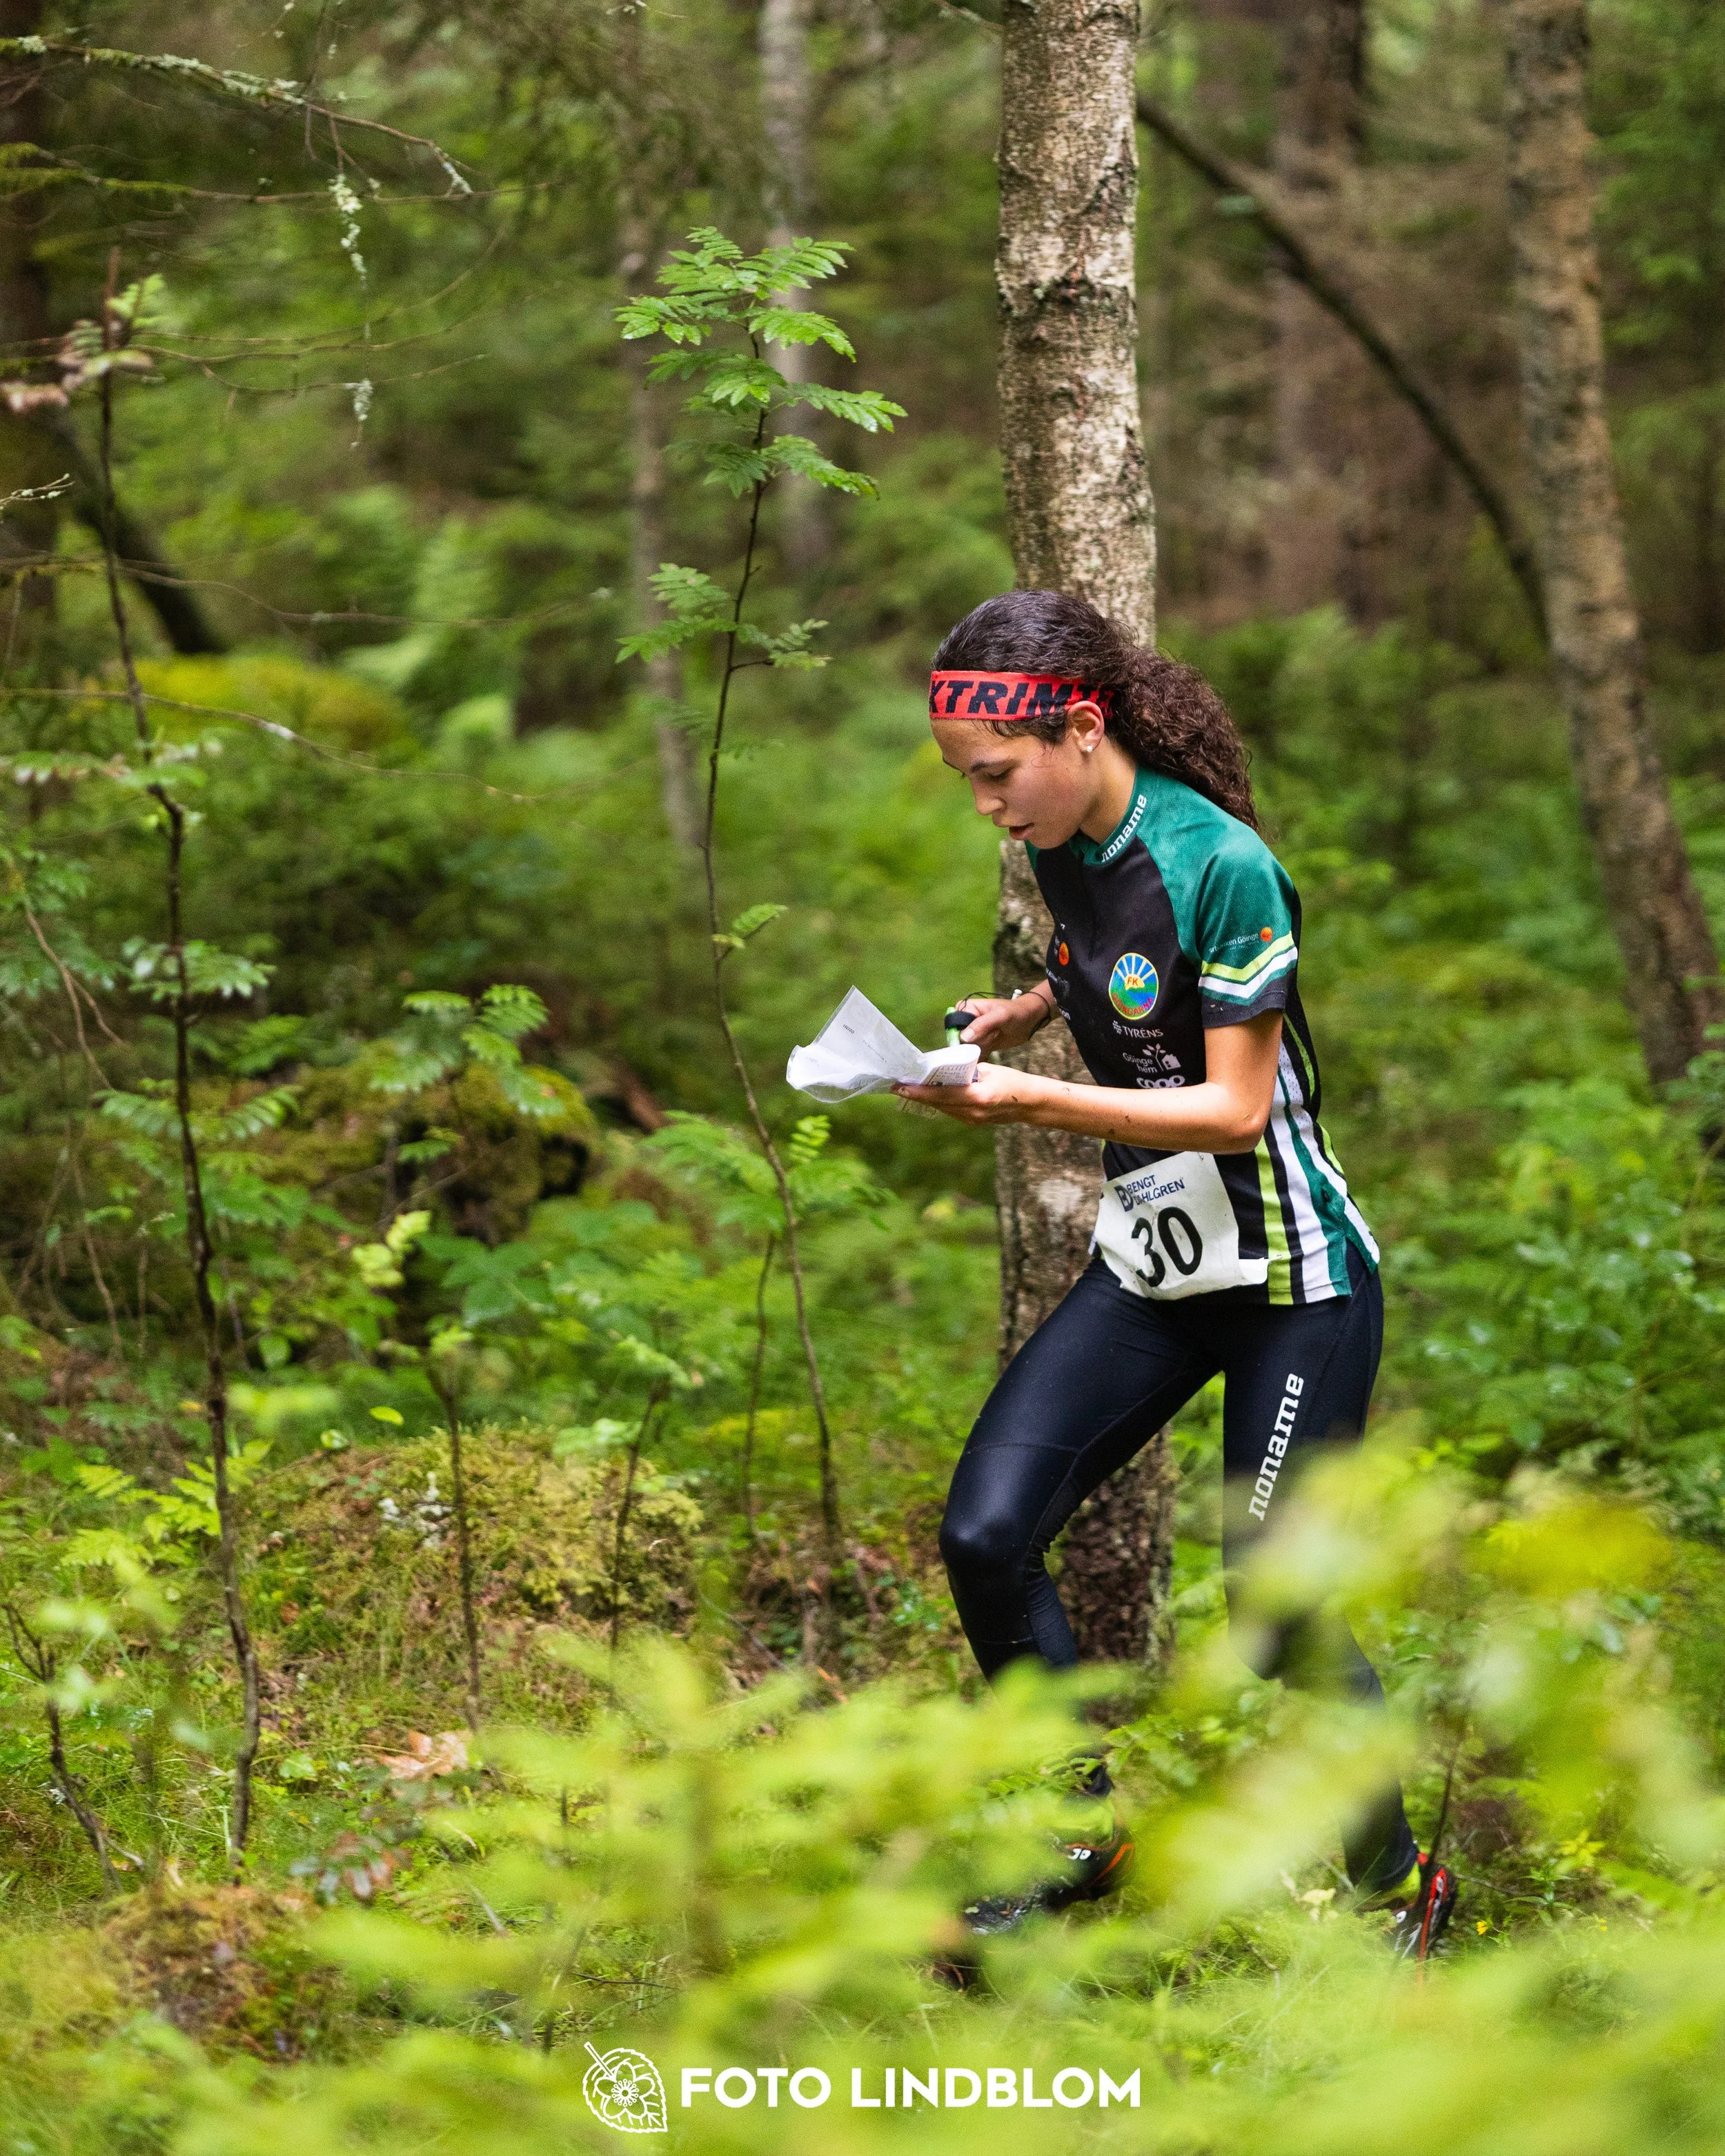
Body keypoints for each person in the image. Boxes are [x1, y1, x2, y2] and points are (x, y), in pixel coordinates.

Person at [896, 591, 1456, 1962]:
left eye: (993, 776)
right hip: (1158, 1263)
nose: (983, 808)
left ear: (1077, 726)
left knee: (1273, 1609)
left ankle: (1399, 1885)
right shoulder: (1061, 837)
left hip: (1288, 1278)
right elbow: (1105, 963)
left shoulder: (1224, 864)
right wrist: (1021, 1010)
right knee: (983, 1532)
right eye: (965, 783)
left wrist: (1029, 1098)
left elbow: (1228, 1110)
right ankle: (1080, 1830)